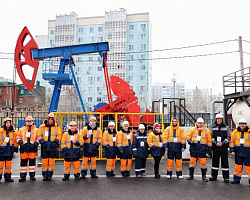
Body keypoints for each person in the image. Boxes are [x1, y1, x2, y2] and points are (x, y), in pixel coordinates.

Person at [186, 117, 212, 182]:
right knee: (192, 162)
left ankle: (204, 176)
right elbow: (188, 136)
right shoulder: (193, 130)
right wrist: (189, 141)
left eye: (201, 123)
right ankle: (191, 175)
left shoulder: (207, 130)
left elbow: (209, 140)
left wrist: (209, 149)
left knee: (203, 163)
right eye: (199, 123)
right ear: (196, 123)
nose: (200, 124)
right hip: (194, 148)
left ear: (203, 123)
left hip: (202, 149)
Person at [38, 113, 62, 181]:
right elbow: (39, 135)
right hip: (44, 145)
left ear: (53, 120)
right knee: (44, 161)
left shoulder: (56, 127)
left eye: (52, 119)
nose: (50, 120)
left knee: (51, 161)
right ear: (47, 119)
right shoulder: (42, 127)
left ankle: (50, 175)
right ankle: (45, 175)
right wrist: (42, 142)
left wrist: (56, 142)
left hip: (52, 146)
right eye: (50, 119)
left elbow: (59, 135)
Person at [16, 116, 39, 182]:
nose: (29, 122)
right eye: (28, 121)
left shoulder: (36, 130)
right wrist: (19, 142)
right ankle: (22, 177)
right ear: (26, 122)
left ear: (32, 122)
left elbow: (39, 137)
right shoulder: (21, 130)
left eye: (30, 121)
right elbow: (17, 137)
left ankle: (32, 176)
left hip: (32, 148)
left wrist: (36, 143)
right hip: (24, 148)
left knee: (32, 163)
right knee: (23, 164)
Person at [209, 114, 230, 183]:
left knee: (225, 162)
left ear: (222, 120)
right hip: (215, 148)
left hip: (223, 148)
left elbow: (228, 137)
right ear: (216, 120)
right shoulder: (213, 127)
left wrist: (223, 143)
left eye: (220, 119)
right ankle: (214, 176)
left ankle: (226, 177)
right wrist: (215, 143)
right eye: (218, 119)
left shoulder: (226, 127)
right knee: (215, 162)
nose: (219, 120)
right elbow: (211, 136)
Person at [230, 118, 250, 185]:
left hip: (247, 153)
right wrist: (232, 150)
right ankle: (236, 180)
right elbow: (232, 142)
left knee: (249, 168)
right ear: (239, 125)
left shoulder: (249, 132)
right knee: (237, 167)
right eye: (241, 124)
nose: (242, 125)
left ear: (245, 124)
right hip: (238, 152)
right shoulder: (235, 132)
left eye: (243, 124)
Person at [0, 117, 18, 182]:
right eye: (7, 122)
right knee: (0, 165)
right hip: (1, 150)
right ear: (4, 123)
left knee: (8, 165)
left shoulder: (13, 132)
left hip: (9, 150)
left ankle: (8, 177)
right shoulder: (1, 131)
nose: (8, 124)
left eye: (9, 122)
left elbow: (15, 140)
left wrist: (15, 148)